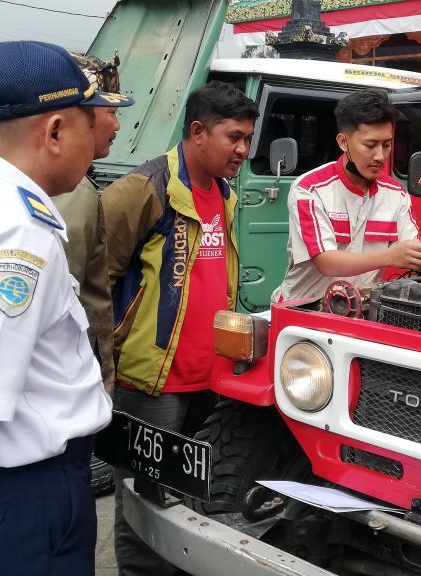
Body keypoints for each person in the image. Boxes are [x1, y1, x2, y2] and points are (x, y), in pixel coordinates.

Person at [0, 40, 130, 575]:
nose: (103, 136)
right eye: (94, 121)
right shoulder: (15, 234)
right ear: (57, 131)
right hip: (9, 502)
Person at [101, 81, 258, 576]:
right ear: (197, 131)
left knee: (193, 501)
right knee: (143, 505)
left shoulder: (225, 194)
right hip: (153, 384)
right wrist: (106, 364)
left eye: (248, 138)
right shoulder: (144, 190)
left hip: (210, 378)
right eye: (234, 137)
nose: (243, 150)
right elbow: (92, 280)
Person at [272, 88, 421, 303]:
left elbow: (411, 254)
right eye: (370, 145)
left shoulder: (396, 194)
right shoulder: (310, 189)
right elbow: (326, 263)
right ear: (343, 142)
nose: (380, 156)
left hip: (361, 311)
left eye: (386, 145)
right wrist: (390, 257)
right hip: (304, 309)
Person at [52, 53, 134, 497]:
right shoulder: (70, 195)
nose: (117, 125)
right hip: (61, 408)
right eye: (109, 113)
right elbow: (66, 313)